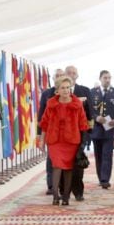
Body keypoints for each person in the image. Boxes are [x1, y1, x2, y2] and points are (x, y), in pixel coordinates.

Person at [39, 76, 89, 206]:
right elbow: (44, 123)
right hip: (54, 141)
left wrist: (83, 144)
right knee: (56, 166)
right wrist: (41, 140)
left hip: (71, 141)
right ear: (57, 90)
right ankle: (56, 196)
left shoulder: (77, 104)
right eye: (63, 88)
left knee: (68, 169)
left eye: (68, 87)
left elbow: (83, 124)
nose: (66, 90)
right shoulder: (51, 103)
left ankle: (66, 197)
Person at [64, 66, 93, 201]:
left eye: (74, 73)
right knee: (63, 163)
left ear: (77, 75)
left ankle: (78, 191)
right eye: (69, 72)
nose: (71, 75)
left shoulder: (85, 90)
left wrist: (89, 132)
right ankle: (64, 191)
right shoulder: (58, 91)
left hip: (80, 133)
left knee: (77, 162)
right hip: (63, 134)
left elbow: (90, 112)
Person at [89, 70, 114, 189]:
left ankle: (105, 179)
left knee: (107, 154)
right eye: (105, 78)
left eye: (109, 78)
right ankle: (100, 177)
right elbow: (89, 110)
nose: (107, 80)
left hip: (110, 129)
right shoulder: (92, 92)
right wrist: (96, 117)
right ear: (100, 78)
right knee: (98, 155)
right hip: (96, 130)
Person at [37, 68, 64, 195]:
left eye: (61, 75)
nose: (58, 77)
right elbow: (41, 114)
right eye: (56, 75)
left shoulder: (67, 93)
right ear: (53, 78)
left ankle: (63, 185)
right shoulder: (47, 93)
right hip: (50, 132)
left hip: (65, 133)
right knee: (51, 159)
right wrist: (39, 134)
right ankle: (51, 185)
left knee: (64, 159)